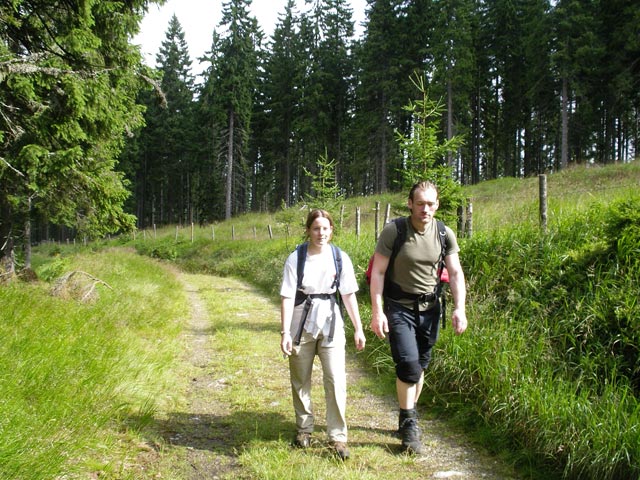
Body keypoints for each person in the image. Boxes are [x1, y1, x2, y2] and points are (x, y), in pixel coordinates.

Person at [369, 181, 468, 454]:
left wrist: (460, 308)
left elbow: (456, 273)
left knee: (420, 366)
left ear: (437, 205)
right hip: (399, 308)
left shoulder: (444, 233)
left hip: (431, 310)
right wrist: (377, 312)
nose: (425, 209)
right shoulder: (395, 231)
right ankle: (410, 425)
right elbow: (377, 273)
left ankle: (406, 415)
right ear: (410, 203)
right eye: (420, 203)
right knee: (409, 366)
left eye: (431, 203)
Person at [280, 208, 366, 460]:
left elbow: (348, 295)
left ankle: (337, 437)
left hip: (331, 324)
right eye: (316, 228)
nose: (321, 233)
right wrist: (285, 332)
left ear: (331, 230)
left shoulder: (340, 257)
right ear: (308, 230)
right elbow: (286, 296)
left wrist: (358, 328)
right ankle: (304, 429)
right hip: (300, 323)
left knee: (336, 379)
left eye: (325, 228)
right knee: (300, 378)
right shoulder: (296, 258)